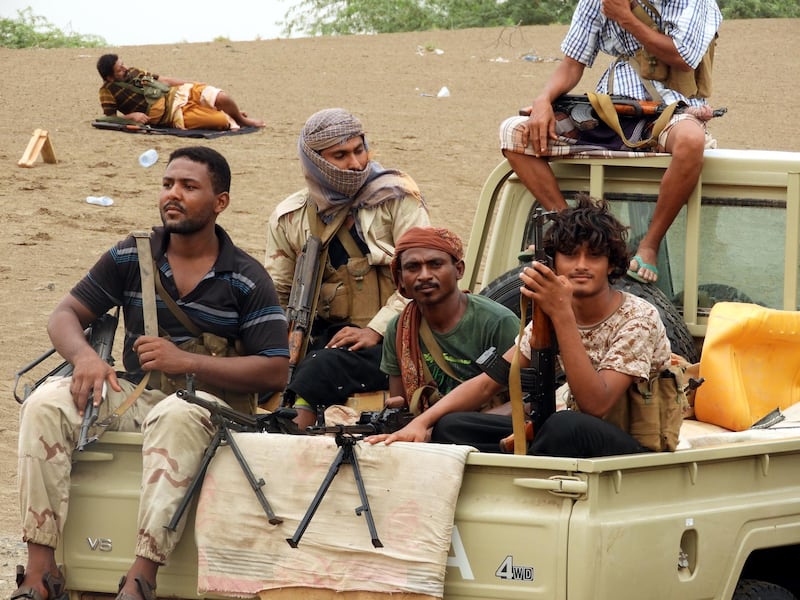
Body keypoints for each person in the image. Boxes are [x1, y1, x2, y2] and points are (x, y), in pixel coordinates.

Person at [13, 146, 289, 600]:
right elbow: (64, 314)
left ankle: (142, 576)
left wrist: (191, 363)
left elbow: (275, 370)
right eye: (167, 184)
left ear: (220, 202)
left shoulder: (245, 277)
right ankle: (41, 573)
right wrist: (85, 358)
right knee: (46, 403)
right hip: (138, 400)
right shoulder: (131, 255)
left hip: (214, 411)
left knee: (175, 415)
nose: (173, 195)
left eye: (188, 186)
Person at [367, 195, 674, 457]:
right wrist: (422, 422)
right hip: (569, 430)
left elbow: (597, 404)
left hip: (635, 449)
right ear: (554, 263)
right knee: (452, 426)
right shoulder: (553, 310)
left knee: (560, 425)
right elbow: (491, 381)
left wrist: (562, 315)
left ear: (611, 264)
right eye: (570, 255)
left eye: (594, 256)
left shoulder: (637, 317)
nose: (581, 265)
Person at [499, 0, 722, 283]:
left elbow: (682, 56)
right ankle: (569, 230)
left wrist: (624, 17)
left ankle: (648, 246)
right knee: (514, 132)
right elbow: (571, 65)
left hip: (672, 110)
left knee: (691, 140)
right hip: (609, 107)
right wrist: (543, 100)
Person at [265, 108, 430, 429]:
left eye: (359, 150)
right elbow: (279, 292)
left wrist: (375, 330)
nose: (355, 164)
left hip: (400, 337)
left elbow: (421, 279)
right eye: (340, 155)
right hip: (328, 337)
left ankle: (292, 432)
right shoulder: (290, 217)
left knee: (320, 368)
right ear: (315, 161)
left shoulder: (396, 198)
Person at [381, 226, 519, 412]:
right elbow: (401, 403)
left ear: (459, 269)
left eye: (435, 264)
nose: (424, 276)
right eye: (413, 267)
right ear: (401, 278)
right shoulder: (399, 329)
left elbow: (528, 403)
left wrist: (460, 426)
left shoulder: (497, 322)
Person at [96, 53, 265, 130]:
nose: (125, 68)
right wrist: (131, 117)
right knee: (221, 121)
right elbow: (109, 119)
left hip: (178, 93)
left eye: (123, 64)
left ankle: (242, 119)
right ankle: (230, 115)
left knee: (222, 97)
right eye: (119, 69)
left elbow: (162, 79)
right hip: (172, 114)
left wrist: (191, 84)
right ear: (110, 77)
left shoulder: (134, 71)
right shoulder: (107, 91)